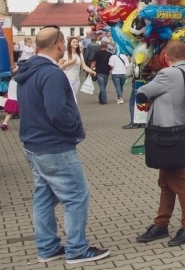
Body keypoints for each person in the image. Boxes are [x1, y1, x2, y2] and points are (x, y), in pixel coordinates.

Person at [15, 26, 110, 264]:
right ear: (59, 45)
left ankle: (46, 247)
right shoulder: (51, 73)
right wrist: (76, 130)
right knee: (76, 195)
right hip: (54, 146)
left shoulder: (28, 71)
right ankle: (77, 249)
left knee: (44, 197)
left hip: (33, 143)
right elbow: (57, 112)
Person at [135, 39, 185, 247]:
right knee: (165, 182)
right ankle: (161, 223)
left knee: (178, 182)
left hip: (167, 133)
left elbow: (141, 94)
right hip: (181, 130)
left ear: (166, 56)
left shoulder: (167, 74)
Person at [59, 37, 95, 101]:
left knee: (73, 97)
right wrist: (70, 62)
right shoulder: (65, 53)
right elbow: (59, 66)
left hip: (76, 79)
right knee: (69, 97)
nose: (75, 43)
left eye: (77, 42)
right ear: (70, 43)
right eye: (73, 42)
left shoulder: (80, 54)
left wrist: (91, 71)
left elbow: (84, 66)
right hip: (67, 78)